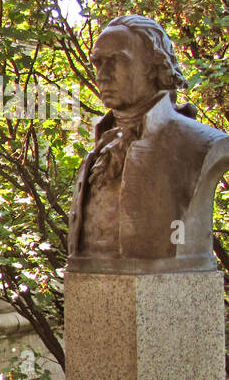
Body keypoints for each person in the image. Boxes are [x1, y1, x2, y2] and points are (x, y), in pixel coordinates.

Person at [67, 14, 229, 268]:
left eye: (117, 60)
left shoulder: (201, 144)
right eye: (98, 63)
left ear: (155, 66)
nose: (103, 75)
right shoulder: (100, 147)